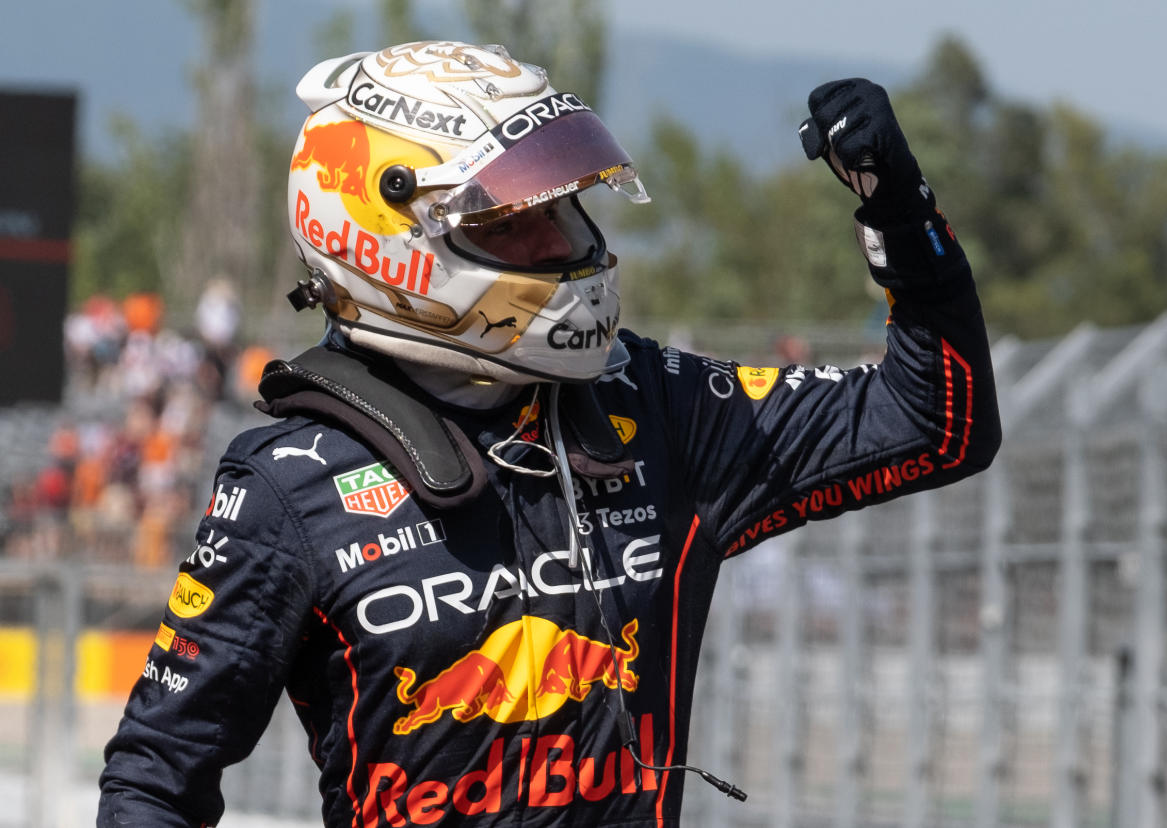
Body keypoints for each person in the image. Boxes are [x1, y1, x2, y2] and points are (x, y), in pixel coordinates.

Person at [98, 40, 1001, 827]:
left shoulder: (658, 405)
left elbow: (936, 425)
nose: (564, 247)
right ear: (386, 237)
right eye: (517, 225)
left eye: (563, 212)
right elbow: (157, 778)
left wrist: (899, 214)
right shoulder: (290, 480)